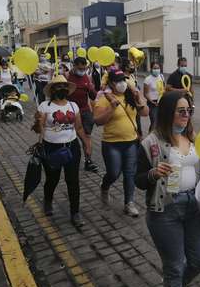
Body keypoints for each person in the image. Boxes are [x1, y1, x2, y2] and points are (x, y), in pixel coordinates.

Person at [136, 91, 200, 287]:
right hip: (165, 211)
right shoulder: (151, 142)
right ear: (168, 112)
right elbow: (137, 180)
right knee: (174, 266)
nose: (186, 115)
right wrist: (153, 173)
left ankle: (174, 285)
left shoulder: (192, 137)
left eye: (189, 110)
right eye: (181, 111)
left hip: (193, 206)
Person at [32, 75, 91, 227]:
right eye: (58, 87)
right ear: (52, 90)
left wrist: (86, 144)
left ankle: (75, 213)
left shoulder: (73, 106)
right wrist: (38, 122)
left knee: (73, 181)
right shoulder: (45, 106)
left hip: (71, 147)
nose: (61, 89)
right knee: (53, 179)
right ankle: (48, 200)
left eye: (64, 86)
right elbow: (39, 129)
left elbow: (78, 127)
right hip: (51, 148)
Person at [93, 70, 149, 217]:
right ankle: (105, 186)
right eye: (118, 80)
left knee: (129, 173)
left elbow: (145, 113)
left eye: (124, 80)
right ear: (111, 83)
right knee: (114, 173)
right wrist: (112, 107)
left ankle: (129, 203)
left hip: (131, 142)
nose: (122, 83)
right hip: (112, 143)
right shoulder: (104, 98)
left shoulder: (130, 95)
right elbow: (98, 121)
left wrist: (139, 99)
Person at [67, 57, 99, 172]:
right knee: (75, 138)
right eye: (80, 68)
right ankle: (68, 161)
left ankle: (88, 161)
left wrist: (91, 89)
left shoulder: (87, 77)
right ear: (74, 66)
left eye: (84, 68)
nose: (82, 70)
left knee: (87, 136)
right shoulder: (67, 77)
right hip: (71, 112)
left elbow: (94, 96)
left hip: (85, 111)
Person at [143, 61, 165, 132]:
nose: (157, 70)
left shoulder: (161, 76)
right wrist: (151, 101)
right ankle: (150, 138)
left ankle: (158, 137)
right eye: (155, 68)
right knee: (154, 122)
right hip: (152, 103)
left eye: (158, 68)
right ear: (151, 69)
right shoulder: (147, 79)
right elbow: (145, 93)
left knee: (161, 122)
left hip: (161, 101)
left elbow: (163, 88)